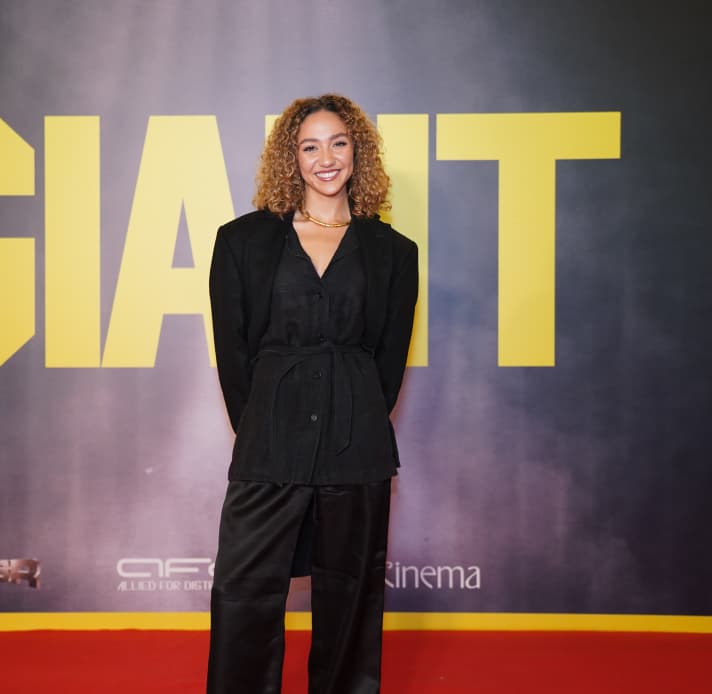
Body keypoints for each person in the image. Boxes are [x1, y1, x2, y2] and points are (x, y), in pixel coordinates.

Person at [207, 93, 419, 694]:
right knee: (243, 593)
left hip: (357, 448)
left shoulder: (394, 253)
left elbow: (387, 362)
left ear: (358, 152)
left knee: (351, 598)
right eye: (309, 146)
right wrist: (263, 424)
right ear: (291, 158)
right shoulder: (241, 242)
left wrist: (356, 418)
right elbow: (234, 355)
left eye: (338, 143)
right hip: (269, 443)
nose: (326, 159)